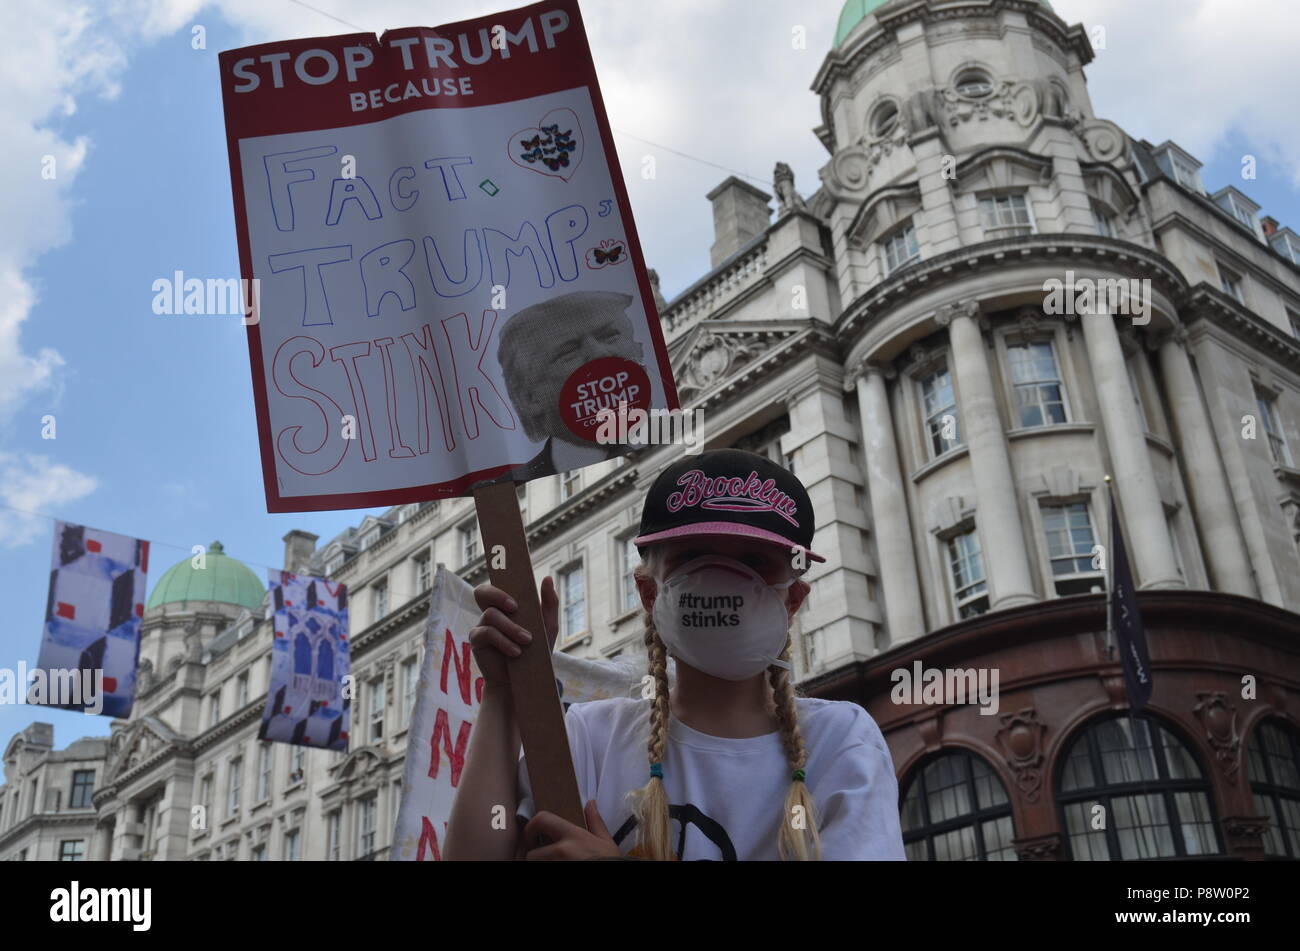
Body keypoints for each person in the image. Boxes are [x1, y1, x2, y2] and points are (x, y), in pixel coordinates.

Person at [443, 448, 906, 860]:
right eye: (693, 557)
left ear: (792, 600)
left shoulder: (841, 741)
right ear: (649, 592)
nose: (725, 581)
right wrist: (506, 693)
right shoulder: (589, 738)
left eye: (754, 562)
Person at [495, 289, 646, 481]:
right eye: (567, 352)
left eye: (609, 336)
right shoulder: (504, 487)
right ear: (529, 398)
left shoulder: (680, 427)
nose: (599, 353)